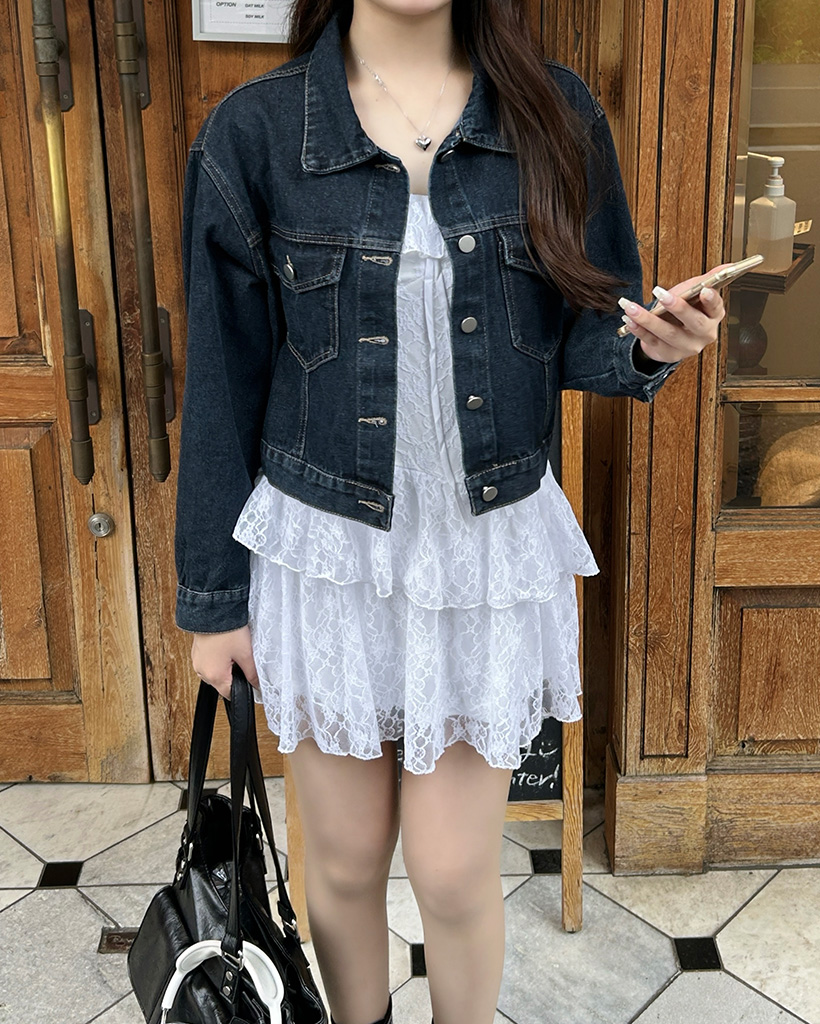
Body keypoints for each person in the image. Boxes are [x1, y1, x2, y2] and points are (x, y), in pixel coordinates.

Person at [174, 3, 727, 1024]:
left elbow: (587, 325)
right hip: (327, 555)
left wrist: (650, 343)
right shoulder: (255, 131)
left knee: (454, 871)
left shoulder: (553, 113)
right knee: (343, 864)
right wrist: (213, 601)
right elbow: (220, 379)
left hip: (484, 555)